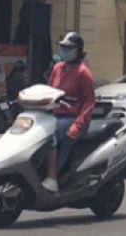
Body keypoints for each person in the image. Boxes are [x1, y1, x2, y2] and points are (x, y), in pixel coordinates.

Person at [44, 31, 95, 194]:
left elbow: (89, 102)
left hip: (73, 118)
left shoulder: (83, 72)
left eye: (69, 48)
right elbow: (50, 91)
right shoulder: (57, 68)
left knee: (53, 136)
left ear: (78, 50)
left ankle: (52, 176)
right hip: (55, 115)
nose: (65, 51)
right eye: (63, 47)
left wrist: (77, 126)